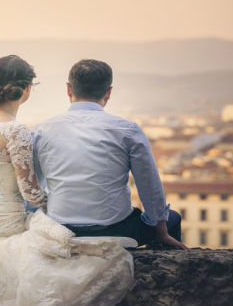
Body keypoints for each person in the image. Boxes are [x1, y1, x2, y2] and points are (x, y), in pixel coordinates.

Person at [0, 55, 136, 306]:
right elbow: (31, 192)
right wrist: (53, 202)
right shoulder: (16, 130)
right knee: (59, 240)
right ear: (26, 90)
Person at [30, 59, 187, 250]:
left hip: (61, 228)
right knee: (174, 218)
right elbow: (149, 186)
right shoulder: (128, 130)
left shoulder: (40, 131)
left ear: (69, 89)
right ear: (108, 92)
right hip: (116, 229)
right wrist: (161, 232)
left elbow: (34, 185)